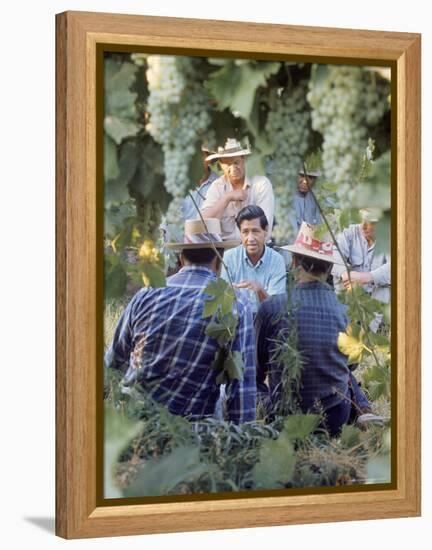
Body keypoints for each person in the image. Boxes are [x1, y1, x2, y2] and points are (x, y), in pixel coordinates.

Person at [105, 218, 256, 424]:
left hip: (134, 419)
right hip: (190, 426)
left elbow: (114, 362)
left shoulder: (146, 294)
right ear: (219, 260)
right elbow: (241, 385)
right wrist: (243, 437)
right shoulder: (236, 303)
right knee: (219, 395)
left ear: (181, 258)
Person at [256, 222, 383, 435]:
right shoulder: (346, 312)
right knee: (341, 371)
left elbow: (257, 368)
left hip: (283, 418)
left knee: (249, 382)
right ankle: (363, 411)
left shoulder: (271, 307)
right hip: (333, 420)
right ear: (330, 268)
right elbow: (350, 367)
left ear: (295, 262)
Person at [201, 138, 275, 242]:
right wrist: (227, 198)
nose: (233, 168)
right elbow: (202, 224)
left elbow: (265, 230)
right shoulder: (217, 186)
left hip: (256, 248)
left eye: (236, 162)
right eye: (227, 164)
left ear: (244, 159)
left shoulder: (261, 184)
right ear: (221, 164)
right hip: (225, 252)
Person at [220, 205, 286, 314]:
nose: (250, 239)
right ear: (240, 233)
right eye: (245, 232)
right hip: (236, 324)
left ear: (265, 231)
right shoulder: (228, 258)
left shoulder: (277, 260)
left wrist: (260, 290)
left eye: (255, 231)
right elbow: (223, 303)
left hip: (266, 325)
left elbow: (276, 310)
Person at [332, 208, 390, 304]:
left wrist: (366, 277)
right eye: (362, 219)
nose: (363, 226)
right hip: (349, 301)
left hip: (378, 306)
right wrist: (346, 275)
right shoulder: (348, 232)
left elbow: (396, 267)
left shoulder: (390, 238)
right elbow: (335, 254)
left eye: (370, 222)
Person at [181, 144, 219, 221]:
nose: (196, 160)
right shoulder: (179, 182)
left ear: (209, 158)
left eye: (201, 155)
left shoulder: (219, 184)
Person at [290, 168, 322, 233]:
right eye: (301, 176)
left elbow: (319, 226)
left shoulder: (316, 198)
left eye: (310, 177)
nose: (305, 181)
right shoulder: (285, 199)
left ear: (315, 180)